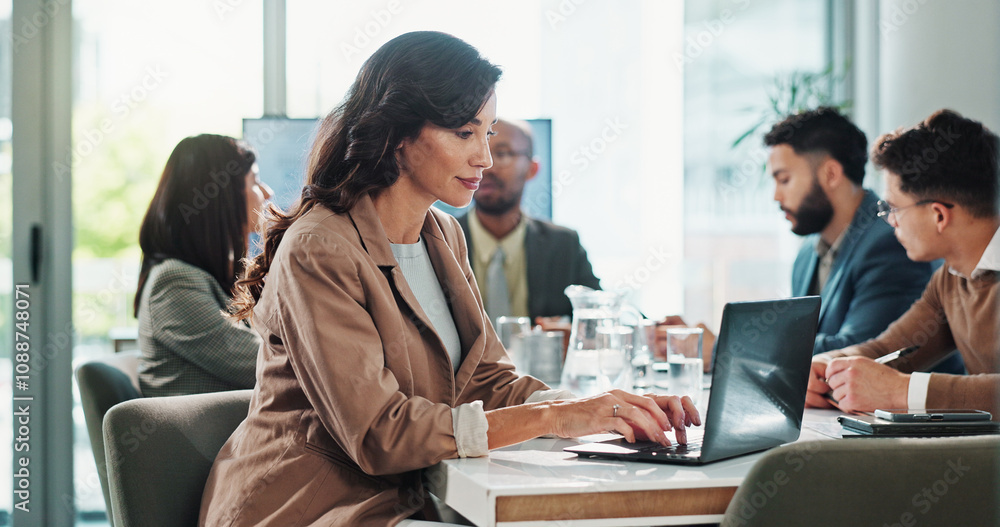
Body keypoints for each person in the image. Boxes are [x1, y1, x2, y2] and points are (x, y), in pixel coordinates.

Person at [199, 31, 699, 526]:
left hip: (407, 499)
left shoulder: (442, 235)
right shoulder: (320, 247)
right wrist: (553, 418)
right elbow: (380, 433)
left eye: (488, 132)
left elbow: (486, 379)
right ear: (397, 135)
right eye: (464, 133)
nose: (484, 156)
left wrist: (603, 408)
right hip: (309, 506)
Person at [806, 109, 999, 415]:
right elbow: (887, 350)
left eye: (894, 208)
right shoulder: (951, 277)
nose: (890, 221)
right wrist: (827, 364)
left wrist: (901, 390)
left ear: (938, 215)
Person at [766, 107, 947, 356]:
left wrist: (736, 346)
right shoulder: (807, 254)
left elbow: (863, 350)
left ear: (831, 174)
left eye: (784, 179)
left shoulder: (892, 241)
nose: (776, 196)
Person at [134, 134, 273, 397]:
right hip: (209, 437)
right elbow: (263, 364)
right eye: (254, 181)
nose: (267, 192)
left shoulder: (202, 276)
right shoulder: (175, 282)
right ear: (222, 197)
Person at [455, 119, 600, 324]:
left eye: (503, 154)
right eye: (477, 152)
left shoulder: (563, 244)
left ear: (532, 169)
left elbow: (601, 310)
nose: (486, 166)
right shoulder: (439, 240)